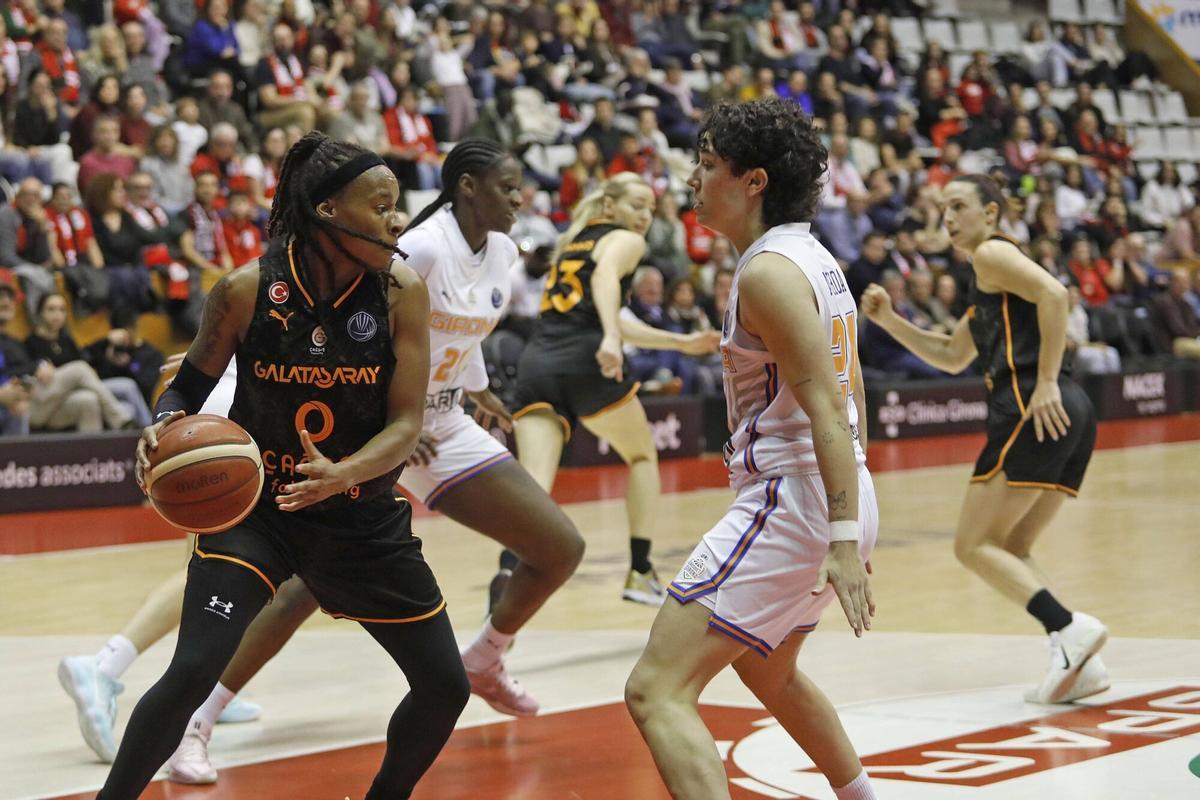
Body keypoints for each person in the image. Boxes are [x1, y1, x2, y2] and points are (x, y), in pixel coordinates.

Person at [162, 138, 589, 785]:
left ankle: (484, 658)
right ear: (467, 186)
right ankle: (198, 717)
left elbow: (456, 335)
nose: (519, 199)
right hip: (381, 427)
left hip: (442, 420)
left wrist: (482, 394)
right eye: (507, 187)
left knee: (558, 546)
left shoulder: (501, 251)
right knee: (307, 578)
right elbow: (317, 337)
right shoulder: (416, 245)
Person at [94, 132, 468, 800]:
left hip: (357, 515)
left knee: (445, 687)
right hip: (256, 512)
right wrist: (161, 425)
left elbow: (406, 422)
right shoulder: (245, 289)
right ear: (327, 210)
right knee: (193, 669)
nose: (397, 219)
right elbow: (185, 387)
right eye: (380, 205)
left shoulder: (399, 292)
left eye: (398, 206)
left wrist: (346, 472)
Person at [625, 97, 878, 800]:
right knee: (769, 669)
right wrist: (853, 516)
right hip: (829, 492)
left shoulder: (768, 272)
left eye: (707, 167)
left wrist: (840, 532)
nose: (693, 180)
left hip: (795, 497)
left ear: (754, 181)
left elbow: (829, 403)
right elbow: (852, 393)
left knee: (655, 689)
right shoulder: (817, 260)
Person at [861, 174, 1109, 704]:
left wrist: (1042, 382)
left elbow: (1055, 294)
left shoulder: (992, 254)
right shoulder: (991, 284)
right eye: (943, 208)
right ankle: (1077, 653)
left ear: (992, 214)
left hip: (1033, 401)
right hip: (1074, 408)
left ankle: (1069, 631)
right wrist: (888, 321)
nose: (948, 218)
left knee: (971, 545)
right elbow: (951, 356)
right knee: (1012, 547)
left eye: (960, 206)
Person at [511, 172, 720, 605]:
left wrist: (678, 342)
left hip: (537, 364)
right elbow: (607, 282)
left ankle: (507, 573)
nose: (644, 216)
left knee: (533, 489)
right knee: (643, 456)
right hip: (587, 361)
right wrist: (609, 337)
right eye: (636, 205)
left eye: (649, 208)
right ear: (610, 207)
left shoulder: (573, 242)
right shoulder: (624, 242)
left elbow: (607, 310)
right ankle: (640, 571)